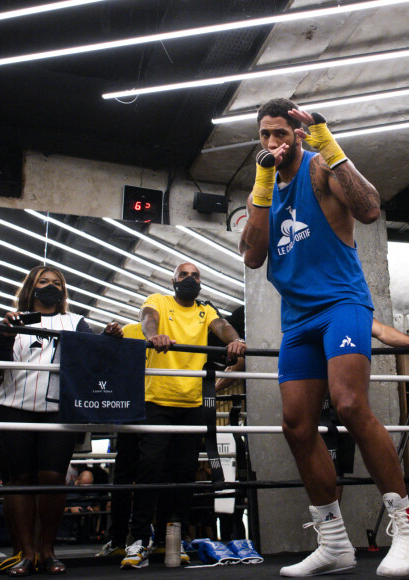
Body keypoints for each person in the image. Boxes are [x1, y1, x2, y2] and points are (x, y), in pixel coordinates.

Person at [239, 97, 409, 578]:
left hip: (341, 304)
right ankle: (334, 543)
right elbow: (253, 257)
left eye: (280, 133)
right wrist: (261, 185)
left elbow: (371, 209)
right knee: (295, 424)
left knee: (351, 404)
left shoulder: (319, 169)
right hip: (298, 318)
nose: (273, 142)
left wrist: (328, 144)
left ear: (296, 133)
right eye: (265, 135)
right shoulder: (266, 187)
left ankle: (407, 525)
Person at [0, 265, 122, 576]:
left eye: (56, 282)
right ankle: (23, 553)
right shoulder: (12, 319)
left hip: (58, 410)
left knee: (53, 481)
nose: (50, 286)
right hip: (13, 407)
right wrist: (5, 336)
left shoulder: (75, 322)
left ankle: (47, 552)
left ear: (64, 290)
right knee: (18, 482)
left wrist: (111, 336)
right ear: (31, 287)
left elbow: (95, 355)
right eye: (43, 281)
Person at [119, 262, 247, 569]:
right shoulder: (158, 301)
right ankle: (137, 540)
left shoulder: (205, 311)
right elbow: (148, 319)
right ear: (173, 280)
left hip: (191, 405)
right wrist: (154, 336)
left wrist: (236, 340)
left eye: (196, 276)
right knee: (149, 467)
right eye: (183, 275)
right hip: (157, 402)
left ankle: (168, 539)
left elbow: (223, 327)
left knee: (182, 473)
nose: (190, 279)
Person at [322, 318, 409, 502]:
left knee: (339, 471)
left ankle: (334, 526)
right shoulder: (310, 307)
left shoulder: (350, 308)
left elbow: (383, 331)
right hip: (317, 396)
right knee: (323, 468)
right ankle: (329, 524)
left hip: (342, 398)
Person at [96, 322, 146, 558]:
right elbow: (105, 357)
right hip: (132, 410)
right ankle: (117, 539)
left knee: (157, 476)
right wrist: (109, 334)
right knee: (124, 476)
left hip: (161, 408)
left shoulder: (179, 327)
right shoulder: (129, 330)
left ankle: (146, 538)